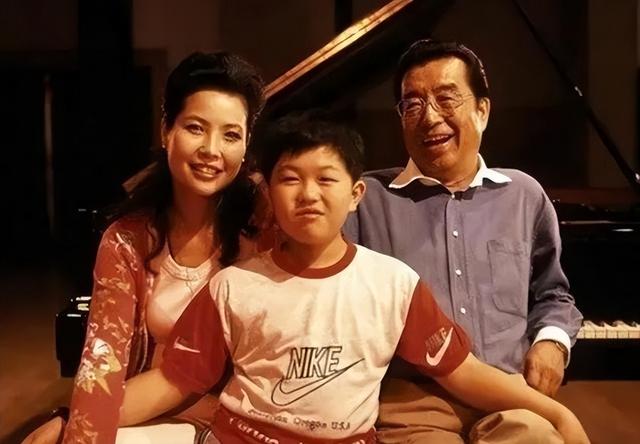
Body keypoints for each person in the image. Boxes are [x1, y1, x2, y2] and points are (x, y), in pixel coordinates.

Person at [113, 115, 588, 444]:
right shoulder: (231, 286)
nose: (308, 194)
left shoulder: (394, 284)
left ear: (357, 194)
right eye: (290, 179)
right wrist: (82, 420)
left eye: (326, 179)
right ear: (269, 193)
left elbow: (461, 370)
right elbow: (174, 379)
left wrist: (557, 412)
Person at [342, 39, 584, 442]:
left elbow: (553, 294)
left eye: (446, 98)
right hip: (413, 402)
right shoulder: (365, 201)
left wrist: (552, 342)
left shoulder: (523, 195)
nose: (429, 117)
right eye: (413, 104)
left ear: (482, 111)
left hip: (510, 394)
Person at [22, 51, 267, 444]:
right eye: (196, 128)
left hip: (246, 424)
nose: (212, 149)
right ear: (166, 130)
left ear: (246, 144)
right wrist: (74, 423)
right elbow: (102, 364)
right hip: (150, 417)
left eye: (230, 135)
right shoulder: (126, 240)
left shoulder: (265, 231)